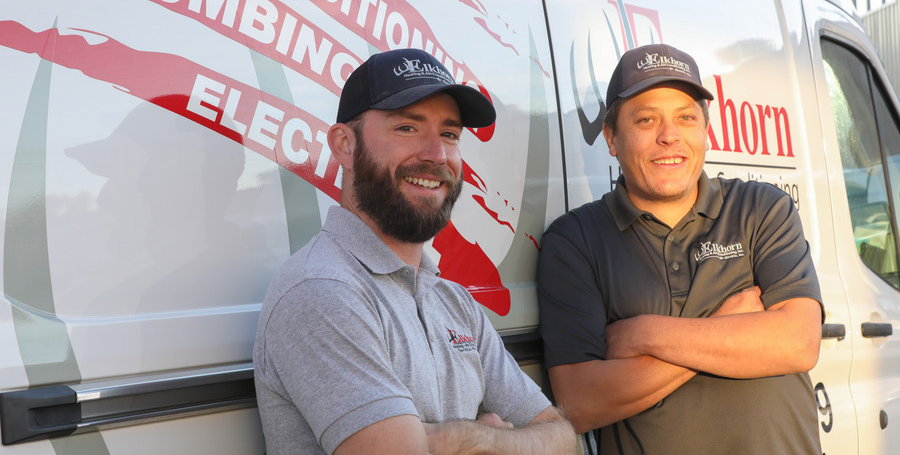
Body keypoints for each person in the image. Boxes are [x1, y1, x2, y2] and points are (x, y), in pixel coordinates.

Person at [254, 48, 575, 455]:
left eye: (450, 134)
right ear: (344, 145)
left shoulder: (452, 300)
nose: (437, 154)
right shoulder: (322, 290)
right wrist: (513, 443)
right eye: (407, 127)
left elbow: (563, 439)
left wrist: (472, 439)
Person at [536, 44, 824, 454]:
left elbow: (798, 341)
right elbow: (580, 403)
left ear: (705, 131)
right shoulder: (574, 241)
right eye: (646, 119)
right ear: (611, 138)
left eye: (686, 117)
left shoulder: (761, 209)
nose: (669, 136)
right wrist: (729, 328)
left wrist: (644, 333)